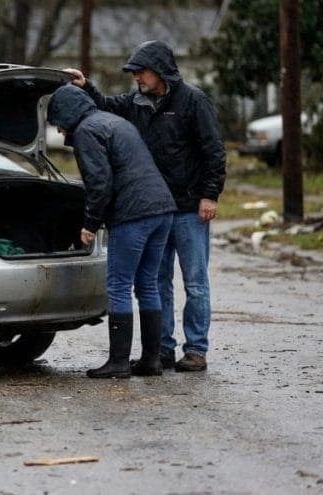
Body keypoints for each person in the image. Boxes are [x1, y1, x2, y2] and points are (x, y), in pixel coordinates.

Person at [66, 40, 226, 372]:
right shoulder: (136, 102)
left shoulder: (193, 101)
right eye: (135, 72)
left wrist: (210, 194)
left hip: (190, 207)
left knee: (195, 282)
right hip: (158, 209)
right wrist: (86, 86)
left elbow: (214, 150)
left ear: (160, 71)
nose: (137, 77)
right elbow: (106, 105)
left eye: (142, 72)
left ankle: (196, 349)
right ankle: (163, 349)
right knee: (157, 281)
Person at [47, 85, 176, 378]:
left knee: (118, 286)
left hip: (134, 213)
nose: (59, 129)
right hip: (162, 208)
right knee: (147, 284)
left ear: (66, 114)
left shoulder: (86, 131)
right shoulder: (115, 122)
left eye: (58, 122)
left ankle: (118, 362)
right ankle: (152, 360)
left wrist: (90, 224)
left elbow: (100, 183)